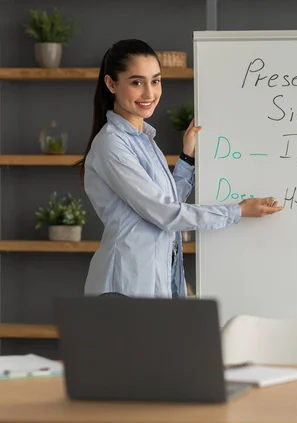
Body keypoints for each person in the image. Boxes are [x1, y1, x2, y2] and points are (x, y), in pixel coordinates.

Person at [77, 39, 283, 298]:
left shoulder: (144, 139)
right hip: (127, 283)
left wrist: (187, 158)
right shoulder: (112, 144)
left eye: (156, 81)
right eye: (136, 82)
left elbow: (165, 202)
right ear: (111, 84)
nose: (149, 94)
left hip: (157, 277)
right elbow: (165, 213)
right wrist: (238, 211)